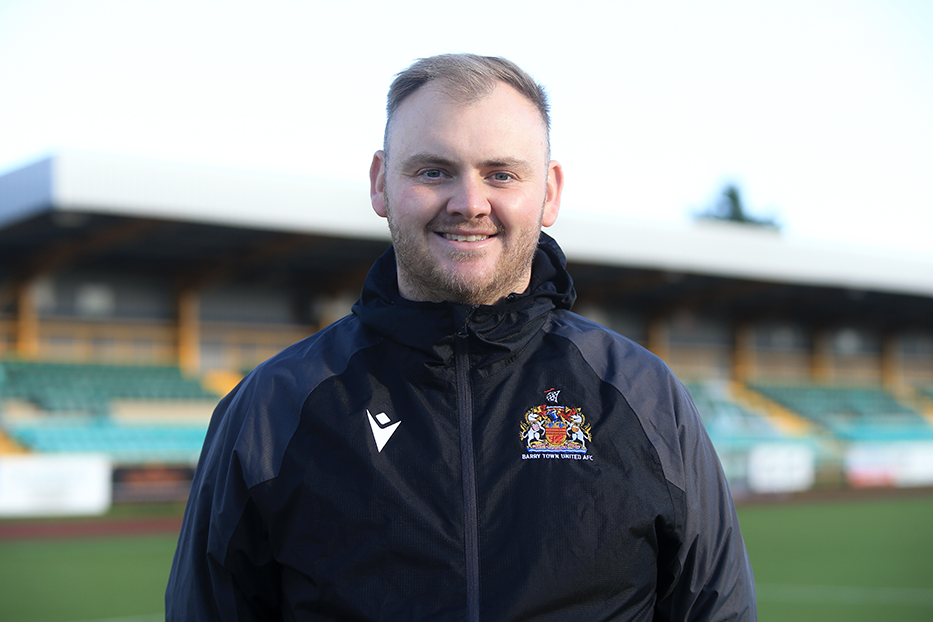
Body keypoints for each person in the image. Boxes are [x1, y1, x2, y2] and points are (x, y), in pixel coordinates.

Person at [166, 53, 757, 621]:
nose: (469, 203)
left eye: (501, 173)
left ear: (548, 192)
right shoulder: (273, 407)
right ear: (379, 183)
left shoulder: (643, 396)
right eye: (433, 171)